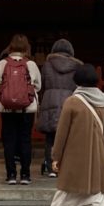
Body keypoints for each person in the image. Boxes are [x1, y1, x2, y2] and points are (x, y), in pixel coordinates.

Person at [36, 64, 104, 206]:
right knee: (97, 197)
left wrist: (56, 156)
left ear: (77, 80)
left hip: (75, 157)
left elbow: (62, 133)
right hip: (99, 156)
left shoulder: (72, 101)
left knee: (65, 194)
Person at [0, 34, 42, 185]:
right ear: (26, 47)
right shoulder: (31, 65)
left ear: (10, 47)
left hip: (7, 109)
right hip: (27, 109)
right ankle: (25, 175)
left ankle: (11, 175)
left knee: (9, 140)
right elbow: (38, 86)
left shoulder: (2, 64)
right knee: (25, 140)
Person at [38, 39, 81, 178]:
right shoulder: (77, 66)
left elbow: (42, 84)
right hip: (70, 101)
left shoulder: (47, 65)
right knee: (69, 137)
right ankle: (65, 166)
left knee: (50, 137)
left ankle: (51, 167)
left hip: (50, 101)